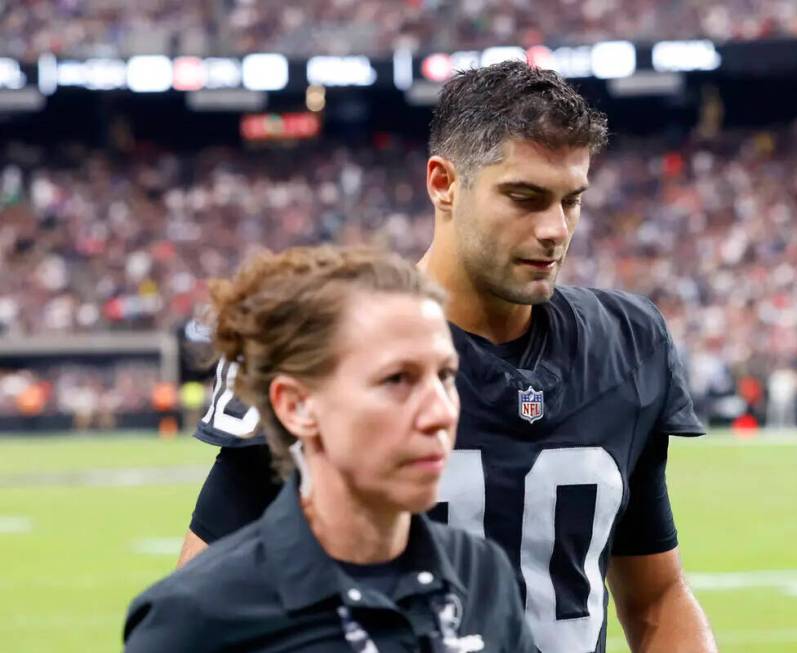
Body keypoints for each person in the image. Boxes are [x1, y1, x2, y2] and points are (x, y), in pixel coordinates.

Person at [181, 61, 717, 653]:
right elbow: (204, 605)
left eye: (571, 201)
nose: (554, 230)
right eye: (524, 197)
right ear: (443, 183)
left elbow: (655, 595)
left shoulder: (627, 341)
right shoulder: (330, 344)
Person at [125, 246, 536, 652]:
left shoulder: (483, 576)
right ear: (297, 406)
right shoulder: (196, 619)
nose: (440, 413)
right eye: (396, 379)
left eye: (445, 375)